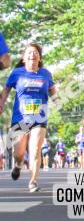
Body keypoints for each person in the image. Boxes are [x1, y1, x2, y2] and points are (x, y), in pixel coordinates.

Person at [0, 42, 56, 193]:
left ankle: (33, 181)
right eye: (29, 52)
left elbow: (52, 90)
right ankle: (18, 165)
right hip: (20, 118)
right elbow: (6, 90)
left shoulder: (45, 74)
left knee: (36, 149)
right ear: (24, 58)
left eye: (36, 52)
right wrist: (2, 102)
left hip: (39, 118)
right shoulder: (17, 73)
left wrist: (56, 100)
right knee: (18, 153)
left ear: (39, 57)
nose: (33, 54)